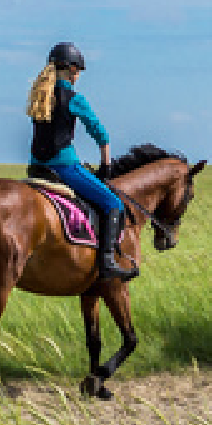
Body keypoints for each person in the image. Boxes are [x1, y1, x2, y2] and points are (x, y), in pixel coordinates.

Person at [27, 42, 138, 281]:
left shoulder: (40, 96)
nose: (78, 76)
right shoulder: (75, 99)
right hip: (64, 167)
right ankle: (107, 262)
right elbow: (101, 134)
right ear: (72, 70)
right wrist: (105, 166)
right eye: (78, 71)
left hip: (36, 168)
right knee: (113, 202)